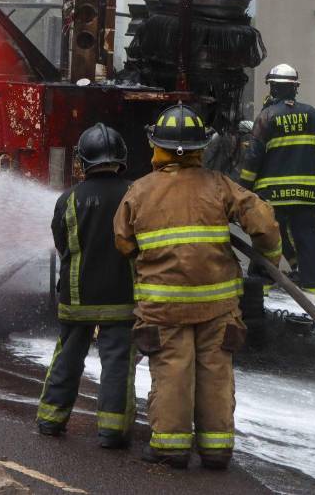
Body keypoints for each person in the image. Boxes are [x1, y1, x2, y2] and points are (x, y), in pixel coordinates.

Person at [114, 103, 281, 470]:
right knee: (216, 371)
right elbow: (264, 223)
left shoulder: (139, 192)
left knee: (173, 370)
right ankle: (216, 449)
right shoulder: (219, 185)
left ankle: (171, 448)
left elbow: (123, 242)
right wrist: (273, 255)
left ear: (156, 145)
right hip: (217, 305)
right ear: (199, 149)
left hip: (163, 305)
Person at [36, 123, 137, 448]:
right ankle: (111, 431)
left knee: (67, 357)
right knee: (117, 363)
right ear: (121, 157)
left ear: (83, 160)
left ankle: (51, 420)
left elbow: (62, 245)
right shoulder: (135, 194)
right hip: (122, 297)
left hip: (76, 296)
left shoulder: (68, 199)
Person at [237, 64, 315, 297]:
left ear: (274, 87)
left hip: (272, 196)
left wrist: (243, 189)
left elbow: (253, 158)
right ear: (295, 88)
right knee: (308, 239)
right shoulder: (313, 115)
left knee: (267, 239)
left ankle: (261, 288)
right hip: (307, 194)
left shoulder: (266, 117)